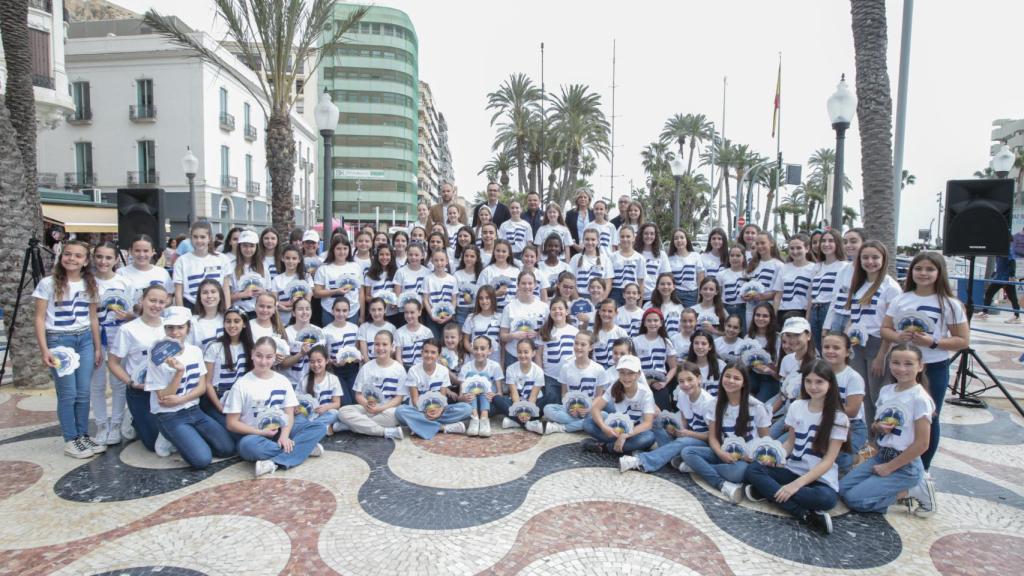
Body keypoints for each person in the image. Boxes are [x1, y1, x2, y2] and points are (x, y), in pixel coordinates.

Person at [881, 251, 968, 471]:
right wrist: (898, 337)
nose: (923, 273)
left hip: (933, 366)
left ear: (940, 273)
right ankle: (896, 463)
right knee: (898, 412)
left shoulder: (950, 304)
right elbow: (885, 329)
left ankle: (923, 469)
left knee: (929, 417)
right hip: (901, 366)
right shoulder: (902, 299)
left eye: (930, 269)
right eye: (918, 268)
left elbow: (963, 340)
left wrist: (934, 341)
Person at [743, 359, 850, 535]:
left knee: (827, 500)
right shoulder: (796, 407)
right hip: (793, 469)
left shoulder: (839, 418)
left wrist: (795, 486)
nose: (813, 386)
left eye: (819, 382)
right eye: (808, 381)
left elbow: (829, 461)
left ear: (830, 384)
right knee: (753, 470)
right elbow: (790, 444)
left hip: (820, 479)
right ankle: (804, 514)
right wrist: (774, 458)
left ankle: (768, 492)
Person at [839, 343, 937, 517]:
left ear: (920, 366)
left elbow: (922, 443)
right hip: (881, 454)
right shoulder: (886, 390)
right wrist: (877, 427)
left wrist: (890, 468)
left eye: (908, 364)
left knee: (855, 500)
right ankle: (885, 486)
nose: (901, 369)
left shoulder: (920, 398)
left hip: (905, 464)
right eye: (896, 362)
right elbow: (876, 424)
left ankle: (913, 490)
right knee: (842, 489)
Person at [34, 239, 103, 458]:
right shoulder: (47, 283)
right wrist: (45, 349)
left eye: (78, 256)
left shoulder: (89, 284)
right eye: (68, 254)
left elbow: (93, 318)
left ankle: (82, 435)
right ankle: (70, 438)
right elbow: (39, 317)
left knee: (83, 393)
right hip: (58, 340)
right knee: (68, 393)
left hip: (84, 340)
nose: (71, 259)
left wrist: (97, 346)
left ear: (85, 261)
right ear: (61, 256)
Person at [145, 306, 236, 468]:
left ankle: (184, 438)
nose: (175, 332)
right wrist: (179, 372)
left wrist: (181, 399)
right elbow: (163, 398)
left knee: (227, 449)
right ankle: (168, 436)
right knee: (202, 460)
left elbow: (202, 387)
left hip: (194, 409)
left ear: (188, 328)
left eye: (180, 327)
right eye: (170, 327)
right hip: (170, 415)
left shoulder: (195, 351)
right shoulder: (157, 354)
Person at [224, 336, 327, 477]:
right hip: (256, 436)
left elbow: (289, 413)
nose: (263, 361)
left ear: (275, 358)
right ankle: (304, 448)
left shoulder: (282, 381)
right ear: (252, 354)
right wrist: (261, 432)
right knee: (246, 446)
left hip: (283, 430)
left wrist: (284, 436)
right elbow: (231, 423)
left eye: (268, 357)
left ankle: (274, 461)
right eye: (259, 356)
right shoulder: (241, 385)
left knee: (319, 427)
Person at [825, 240, 901, 424]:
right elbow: (854, 315)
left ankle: (878, 443)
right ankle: (867, 440)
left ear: (884, 259)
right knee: (862, 394)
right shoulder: (859, 284)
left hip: (878, 344)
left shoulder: (890, 287)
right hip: (858, 344)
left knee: (877, 395)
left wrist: (882, 355)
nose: (870, 261)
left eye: (875, 257)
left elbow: (891, 326)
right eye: (865, 257)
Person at [680, 363, 771, 503]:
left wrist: (751, 455)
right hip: (722, 451)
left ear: (744, 383)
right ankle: (720, 483)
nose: (731, 381)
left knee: (738, 473)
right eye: (727, 376)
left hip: (745, 459)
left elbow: (765, 440)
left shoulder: (756, 407)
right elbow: (713, 437)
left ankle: (698, 467)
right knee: (687, 452)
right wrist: (721, 453)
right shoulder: (715, 404)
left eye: (736, 378)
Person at [618, 361, 712, 474]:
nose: (686, 384)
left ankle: (640, 460)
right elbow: (684, 420)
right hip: (687, 436)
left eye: (690, 379)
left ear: (699, 379)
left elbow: (713, 436)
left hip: (704, 443)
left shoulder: (708, 402)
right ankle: (673, 459)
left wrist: (688, 434)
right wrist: (676, 429)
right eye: (681, 381)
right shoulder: (682, 394)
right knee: (656, 419)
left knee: (683, 442)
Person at [92, 242, 134, 445]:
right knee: (97, 385)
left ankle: (116, 424)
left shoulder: (124, 282)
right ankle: (101, 425)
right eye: (99, 256)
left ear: (116, 260)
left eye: (108, 257)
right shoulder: (87, 282)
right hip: (95, 340)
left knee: (119, 383)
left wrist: (128, 315)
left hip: (119, 339)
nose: (103, 261)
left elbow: (135, 311)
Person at [580, 354, 657, 454]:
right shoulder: (615, 386)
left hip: (635, 432)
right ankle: (626, 447)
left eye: (631, 373)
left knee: (649, 438)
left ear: (638, 375)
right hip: (616, 430)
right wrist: (604, 427)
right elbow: (595, 409)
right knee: (587, 424)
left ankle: (604, 447)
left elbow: (647, 423)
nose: (626, 377)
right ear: (618, 373)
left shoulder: (646, 393)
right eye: (622, 373)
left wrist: (626, 435)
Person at [395, 340, 472, 439]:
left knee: (467, 408)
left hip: (438, 411)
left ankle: (420, 425)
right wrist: (425, 412)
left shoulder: (443, 371)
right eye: (426, 351)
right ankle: (443, 427)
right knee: (400, 411)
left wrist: (438, 411)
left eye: (433, 352)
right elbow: (415, 400)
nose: (429, 355)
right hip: (419, 411)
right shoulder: (413, 370)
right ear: (421, 353)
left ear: (438, 355)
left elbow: (442, 398)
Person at [496, 339, 546, 434]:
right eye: (519, 352)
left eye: (526, 352)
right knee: (497, 399)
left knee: (550, 398)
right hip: (517, 402)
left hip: (534, 402)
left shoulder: (538, 371)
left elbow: (533, 396)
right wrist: (519, 410)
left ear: (533, 353)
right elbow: (514, 394)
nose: (522, 355)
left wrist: (528, 411)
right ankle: (529, 423)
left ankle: (514, 421)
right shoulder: (510, 369)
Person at [776, 233, 815, 325]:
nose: (795, 251)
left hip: (803, 312)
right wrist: (774, 317)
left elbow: (811, 297)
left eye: (798, 248)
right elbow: (778, 295)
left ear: (807, 249)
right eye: (792, 248)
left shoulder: (814, 268)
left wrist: (807, 318)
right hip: (783, 312)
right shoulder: (784, 268)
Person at [978, 251, 1020, 323]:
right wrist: (994, 274)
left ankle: (1017, 317)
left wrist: (1011, 275)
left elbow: (1012, 262)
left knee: (1012, 297)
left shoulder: (1008, 250)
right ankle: (985, 312)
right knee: (989, 293)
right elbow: (999, 265)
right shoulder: (998, 250)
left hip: (1006, 278)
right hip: (998, 278)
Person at [565, 189, 594, 253]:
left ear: (589, 199)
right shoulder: (570, 214)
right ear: (577, 199)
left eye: (585, 197)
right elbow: (567, 231)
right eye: (580, 197)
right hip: (574, 248)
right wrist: (575, 245)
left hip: (591, 247)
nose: (583, 199)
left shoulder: (594, 213)